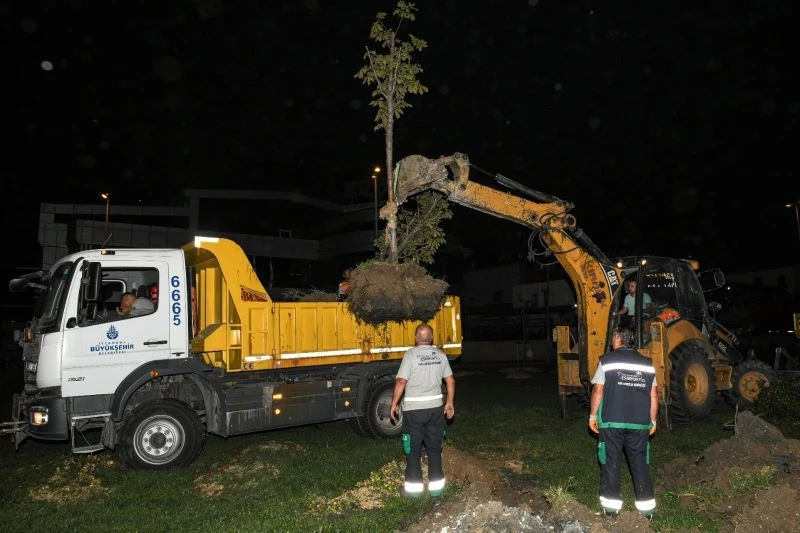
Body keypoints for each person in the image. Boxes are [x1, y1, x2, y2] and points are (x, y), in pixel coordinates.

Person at [589, 325, 658, 519]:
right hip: (639, 424)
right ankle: (646, 511)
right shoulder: (647, 364)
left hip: (612, 423)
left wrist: (593, 416)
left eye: (613, 338)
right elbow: (654, 395)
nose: (612, 341)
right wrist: (652, 420)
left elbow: (598, 390)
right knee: (640, 464)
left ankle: (611, 510)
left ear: (618, 340)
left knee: (611, 462)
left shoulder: (607, 361)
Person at [390, 323, 456, 498]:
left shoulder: (411, 355)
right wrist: (449, 402)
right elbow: (450, 380)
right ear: (431, 338)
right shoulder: (440, 355)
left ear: (416, 338)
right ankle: (437, 490)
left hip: (414, 412)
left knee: (412, 450)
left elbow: (401, 382)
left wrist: (394, 404)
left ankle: (414, 493)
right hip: (435, 410)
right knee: (435, 449)